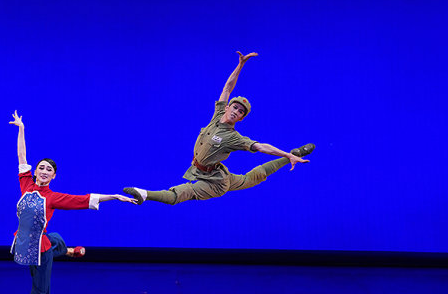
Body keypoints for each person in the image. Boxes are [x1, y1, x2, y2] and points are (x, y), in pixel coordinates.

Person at [9, 111, 136, 294]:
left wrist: (114, 197)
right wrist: (21, 128)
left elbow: (84, 199)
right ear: (36, 172)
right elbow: (22, 156)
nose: (44, 171)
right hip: (21, 246)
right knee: (57, 240)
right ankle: (67, 251)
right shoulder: (25, 184)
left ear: (54, 176)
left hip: (41, 252)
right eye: (42, 167)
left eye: (49, 169)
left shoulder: (54, 198)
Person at [123, 51, 315, 205]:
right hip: (212, 172)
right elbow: (227, 88)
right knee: (254, 177)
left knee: (180, 193)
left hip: (216, 183)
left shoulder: (233, 137)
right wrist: (240, 66)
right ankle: (295, 153)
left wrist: (285, 154)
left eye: (240, 112)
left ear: (241, 118)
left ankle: (145, 194)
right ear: (228, 107)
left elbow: (261, 146)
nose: (236, 111)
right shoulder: (218, 115)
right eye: (235, 107)